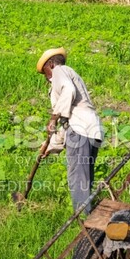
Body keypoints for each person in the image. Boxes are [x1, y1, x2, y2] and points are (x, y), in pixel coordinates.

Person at [37, 47, 103, 214]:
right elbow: (68, 124)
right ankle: (89, 216)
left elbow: (68, 90)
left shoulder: (59, 71)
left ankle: (81, 219)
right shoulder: (71, 75)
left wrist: (54, 116)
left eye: (45, 72)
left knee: (77, 178)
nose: (46, 78)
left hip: (80, 130)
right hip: (92, 130)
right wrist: (50, 148)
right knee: (85, 178)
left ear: (50, 65)